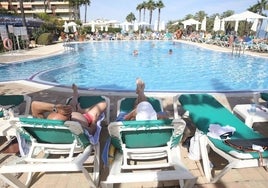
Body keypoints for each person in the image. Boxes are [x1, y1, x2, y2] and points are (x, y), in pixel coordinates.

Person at [31, 84, 107, 135]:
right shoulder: (77, 127)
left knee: (72, 104)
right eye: (69, 116)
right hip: (87, 117)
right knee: (103, 104)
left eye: (56, 112)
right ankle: (82, 110)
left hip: (72, 114)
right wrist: (94, 121)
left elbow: (34, 105)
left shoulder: (45, 127)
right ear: (70, 119)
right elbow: (91, 131)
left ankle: (75, 94)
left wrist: (56, 108)